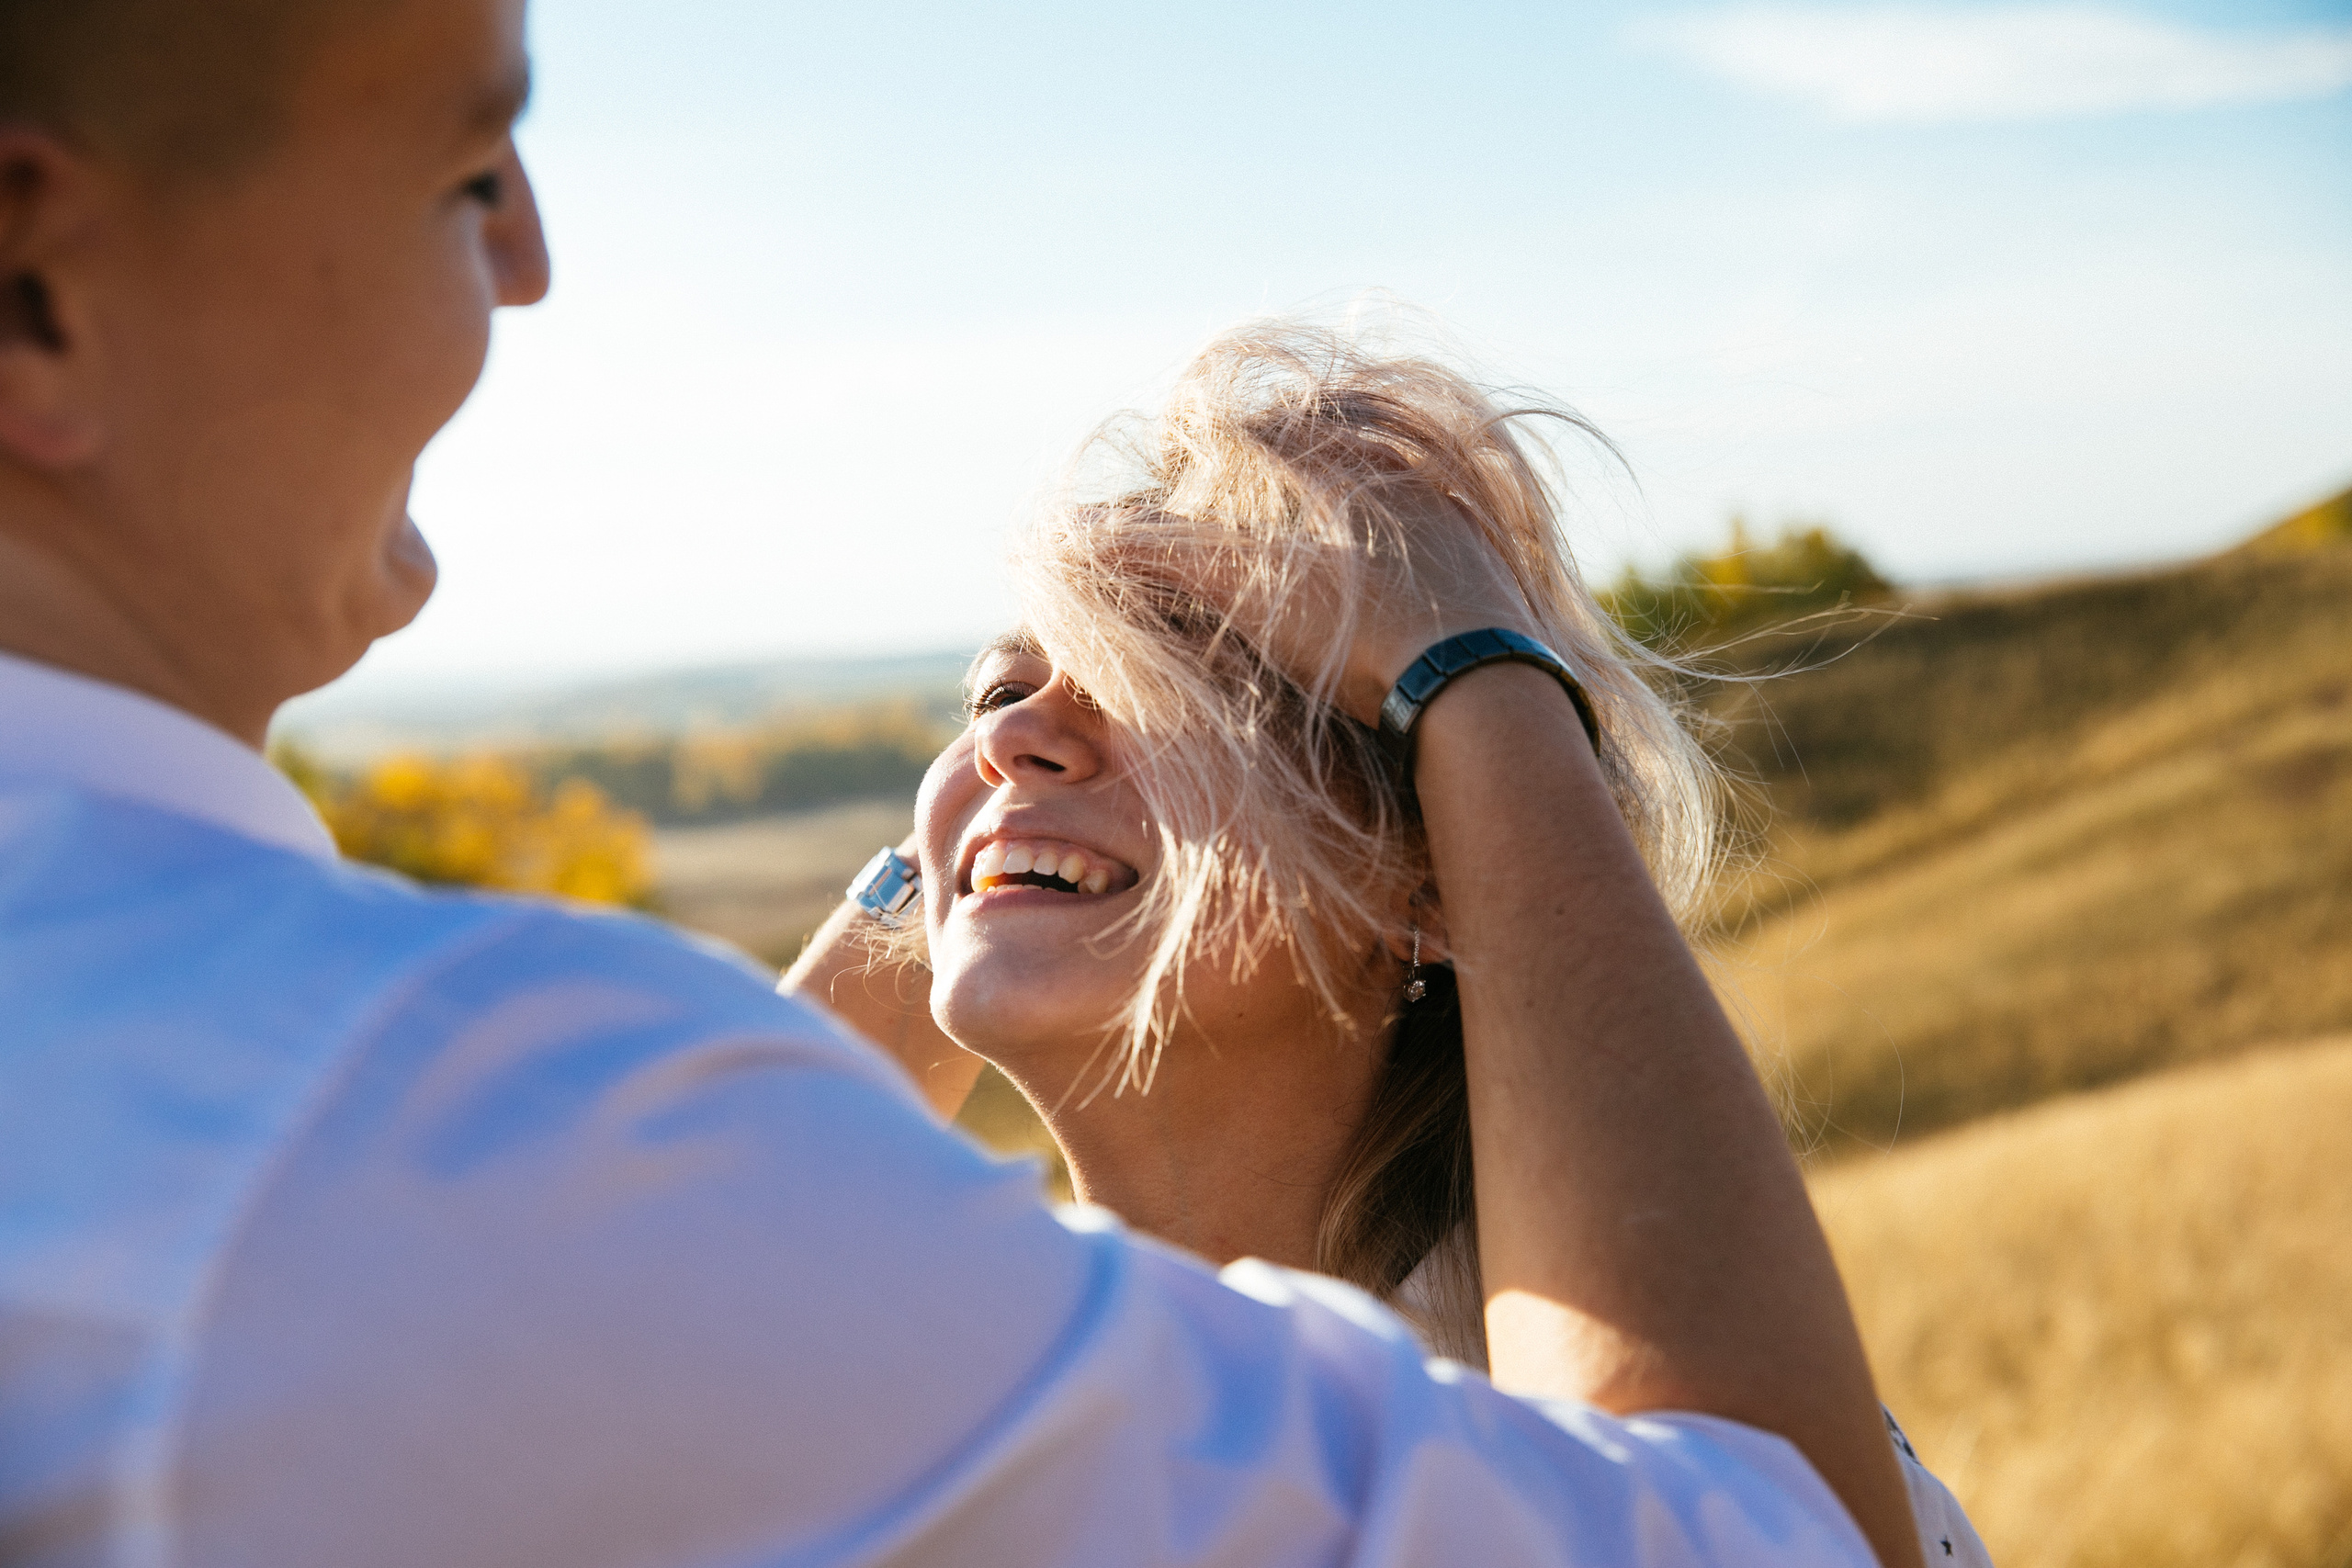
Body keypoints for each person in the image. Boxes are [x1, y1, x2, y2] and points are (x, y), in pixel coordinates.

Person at [0, 0, 1919, 1563]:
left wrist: (1000, 834)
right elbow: (1770, 1528)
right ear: (38, 296)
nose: (529, 256)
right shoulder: (473, 1138)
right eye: (457, 170)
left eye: (1192, 686)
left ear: (1430, 864)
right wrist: (1477, 678)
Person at [787, 324, 1991, 1563]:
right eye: (997, 694)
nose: (1012, 738)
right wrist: (972, 858)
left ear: (1429, 873)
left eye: (1173, 680)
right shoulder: (983, 1362)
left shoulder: (1558, 1432)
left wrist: (1473, 681)